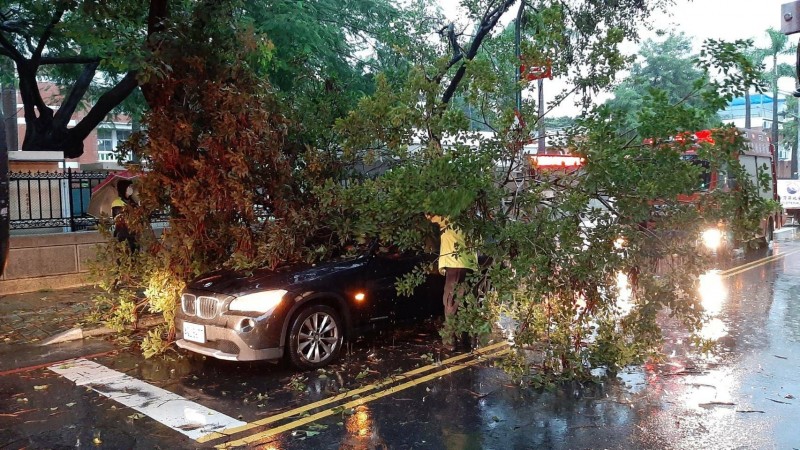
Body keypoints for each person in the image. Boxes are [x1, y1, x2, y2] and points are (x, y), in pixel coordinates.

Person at [427, 214, 478, 350]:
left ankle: (450, 339)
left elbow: (429, 215)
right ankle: (467, 338)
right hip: (469, 264)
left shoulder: (449, 217)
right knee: (465, 302)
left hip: (455, 263)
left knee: (451, 300)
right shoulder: (472, 219)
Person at [111, 179, 137, 252]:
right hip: (123, 235)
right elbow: (119, 219)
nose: (131, 189)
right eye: (129, 187)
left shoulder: (133, 202)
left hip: (133, 235)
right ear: (124, 188)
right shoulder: (117, 202)